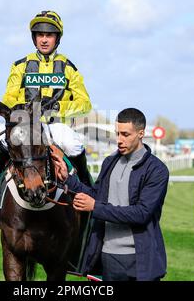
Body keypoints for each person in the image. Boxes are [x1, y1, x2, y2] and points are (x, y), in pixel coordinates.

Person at [0, 10, 92, 203]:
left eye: (49, 35)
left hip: (55, 125)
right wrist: (20, 109)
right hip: (27, 124)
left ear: (57, 38)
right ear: (34, 38)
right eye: (40, 35)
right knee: (6, 143)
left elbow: (85, 104)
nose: (44, 40)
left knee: (74, 144)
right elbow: (9, 96)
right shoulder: (20, 66)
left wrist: (58, 107)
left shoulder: (69, 68)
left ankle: (87, 184)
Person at [51, 108, 170, 281]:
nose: (119, 140)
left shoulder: (157, 170)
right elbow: (96, 195)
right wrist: (68, 178)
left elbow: (141, 213)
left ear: (141, 133)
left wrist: (95, 207)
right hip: (107, 257)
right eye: (117, 134)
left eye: (125, 134)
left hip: (140, 258)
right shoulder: (109, 162)